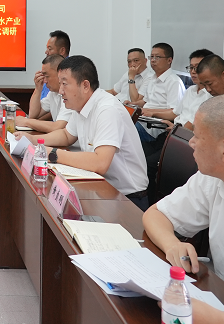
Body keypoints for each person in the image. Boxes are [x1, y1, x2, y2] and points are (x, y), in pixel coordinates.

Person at [143, 95, 224, 324]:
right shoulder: (213, 179)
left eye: (197, 136)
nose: (191, 143)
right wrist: (172, 245)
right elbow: (156, 215)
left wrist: (223, 321)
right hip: (222, 302)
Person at [16, 55, 149, 209]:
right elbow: (66, 135)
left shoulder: (107, 109)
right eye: (60, 84)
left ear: (85, 85)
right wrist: (33, 140)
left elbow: (100, 162)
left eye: (64, 84)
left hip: (126, 198)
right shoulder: (81, 104)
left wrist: (52, 153)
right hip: (100, 185)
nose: (60, 91)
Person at [144, 49, 213, 130]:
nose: (193, 72)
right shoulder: (190, 90)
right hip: (175, 130)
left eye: (198, 67)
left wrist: (176, 130)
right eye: (191, 67)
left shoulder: (210, 96)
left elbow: (192, 126)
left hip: (183, 134)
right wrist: (152, 113)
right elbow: (175, 113)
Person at [136, 43, 185, 143]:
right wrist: (132, 104)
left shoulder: (174, 82)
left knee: (123, 128)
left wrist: (151, 112)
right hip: (142, 120)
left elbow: (174, 113)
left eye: (157, 57)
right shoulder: (152, 78)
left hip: (154, 128)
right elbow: (145, 102)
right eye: (151, 57)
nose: (153, 60)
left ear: (169, 60)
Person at [16, 54, 74, 133]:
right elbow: (33, 115)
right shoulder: (52, 93)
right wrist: (38, 89)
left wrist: (26, 122)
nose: (45, 81)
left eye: (47, 76)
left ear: (59, 74)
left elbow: (57, 127)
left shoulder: (71, 94)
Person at [39, 30, 71, 101]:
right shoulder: (50, 68)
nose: (46, 52)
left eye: (50, 49)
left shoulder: (69, 72)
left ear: (62, 51)